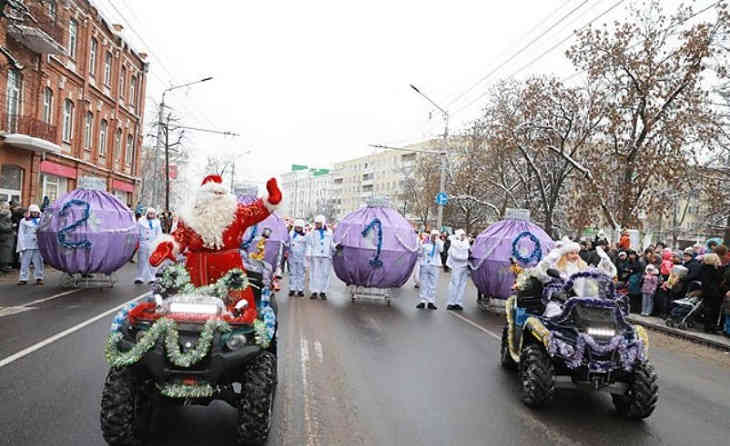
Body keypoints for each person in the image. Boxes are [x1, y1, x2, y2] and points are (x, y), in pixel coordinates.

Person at [149, 175, 282, 324]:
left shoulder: (236, 213)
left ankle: (238, 334)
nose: (218, 198)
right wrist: (167, 246)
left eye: (221, 194)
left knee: (237, 310)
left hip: (230, 272)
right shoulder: (189, 217)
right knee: (188, 310)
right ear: (202, 197)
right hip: (195, 270)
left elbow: (255, 211)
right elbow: (180, 237)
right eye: (214, 194)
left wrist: (271, 200)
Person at [306, 215, 335, 300]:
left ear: (323, 223)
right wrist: (308, 253)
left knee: (325, 274)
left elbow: (331, 243)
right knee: (314, 273)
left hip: (326, 256)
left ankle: (323, 291)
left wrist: (336, 247)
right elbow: (310, 244)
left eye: (319, 224)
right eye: (316, 223)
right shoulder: (312, 232)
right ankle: (314, 291)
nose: (317, 225)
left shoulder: (329, 232)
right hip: (316, 255)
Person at [16, 204, 44, 285]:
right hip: (27, 244)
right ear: (30, 212)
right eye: (33, 212)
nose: (34, 214)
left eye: (36, 212)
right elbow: (21, 233)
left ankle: (39, 277)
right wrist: (22, 245)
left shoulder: (41, 220)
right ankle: (23, 278)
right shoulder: (24, 221)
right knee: (25, 262)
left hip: (37, 245)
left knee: (38, 262)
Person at [416, 230, 444, 310]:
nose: (434, 237)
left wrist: (437, 241)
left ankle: (431, 301)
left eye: (436, 235)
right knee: (423, 283)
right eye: (433, 235)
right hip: (425, 264)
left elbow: (441, 250)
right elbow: (420, 252)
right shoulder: (424, 242)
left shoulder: (439, 242)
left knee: (433, 284)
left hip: (435, 265)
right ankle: (422, 301)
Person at [135, 208, 163, 284]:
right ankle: (140, 277)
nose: (151, 215)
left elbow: (159, 233)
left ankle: (152, 277)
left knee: (152, 261)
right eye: (150, 213)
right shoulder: (141, 221)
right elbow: (137, 232)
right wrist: (136, 242)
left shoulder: (157, 222)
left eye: (153, 214)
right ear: (147, 213)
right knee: (141, 260)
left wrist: (158, 243)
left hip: (153, 243)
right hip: (143, 243)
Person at [446, 229, 470, 311]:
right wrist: (465, 258)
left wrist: (466, 258)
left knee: (462, 285)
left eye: (464, 235)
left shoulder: (466, 243)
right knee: (454, 284)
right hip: (456, 266)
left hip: (464, 267)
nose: (463, 236)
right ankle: (451, 302)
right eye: (462, 235)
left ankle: (458, 302)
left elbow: (467, 254)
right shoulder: (454, 244)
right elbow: (455, 256)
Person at [700, 253, 723, 333]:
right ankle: (711, 326)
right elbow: (719, 279)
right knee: (714, 310)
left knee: (707, 308)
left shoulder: (703, 268)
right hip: (714, 291)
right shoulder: (714, 269)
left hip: (706, 291)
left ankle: (707, 326)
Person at [287, 219, 307, 297]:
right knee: (292, 273)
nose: (298, 229)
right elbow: (288, 243)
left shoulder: (305, 235)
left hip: (301, 257)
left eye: (300, 228)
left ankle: (300, 289)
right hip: (292, 256)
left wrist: (306, 256)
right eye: (297, 227)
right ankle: (292, 289)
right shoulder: (291, 234)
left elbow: (307, 246)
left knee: (301, 274)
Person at [0, 201, 15, 273]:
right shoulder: (2, 216)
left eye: (8, 207)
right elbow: (3, 227)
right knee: (4, 252)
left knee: (7, 252)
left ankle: (5, 266)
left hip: (8, 237)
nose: (8, 209)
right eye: (6, 207)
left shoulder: (7, 216)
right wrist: (11, 226)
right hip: (4, 237)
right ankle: (3, 267)